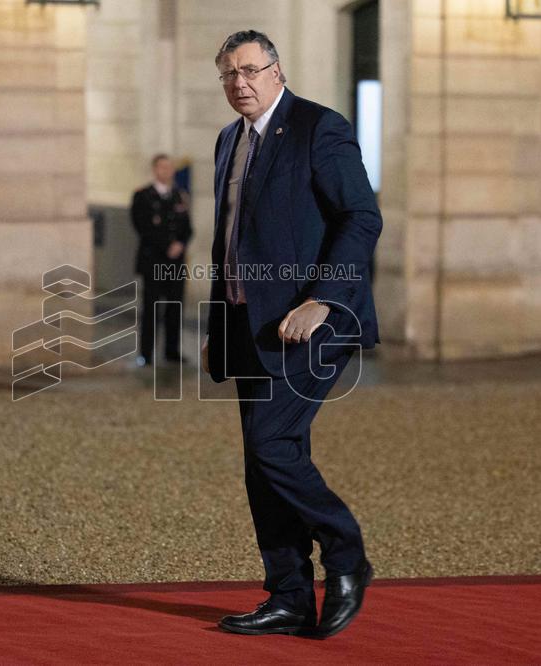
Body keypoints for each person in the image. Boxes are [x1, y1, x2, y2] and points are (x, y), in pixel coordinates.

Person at [201, 30, 382, 638]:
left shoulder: (319, 128)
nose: (239, 83)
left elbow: (361, 217)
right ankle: (289, 596)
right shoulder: (228, 140)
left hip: (312, 325)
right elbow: (228, 244)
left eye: (250, 70)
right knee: (264, 463)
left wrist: (322, 299)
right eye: (229, 74)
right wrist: (220, 324)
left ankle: (347, 553)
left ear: (277, 71)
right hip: (248, 326)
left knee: (271, 445)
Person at [131, 154, 193, 366]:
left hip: (175, 263)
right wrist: (167, 246)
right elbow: (142, 227)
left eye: (169, 167)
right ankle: (146, 353)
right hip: (153, 260)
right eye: (162, 167)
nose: (166, 171)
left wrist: (180, 244)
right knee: (151, 308)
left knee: (174, 307)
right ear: (155, 169)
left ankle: (171, 350)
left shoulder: (179, 196)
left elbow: (187, 227)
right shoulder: (143, 196)